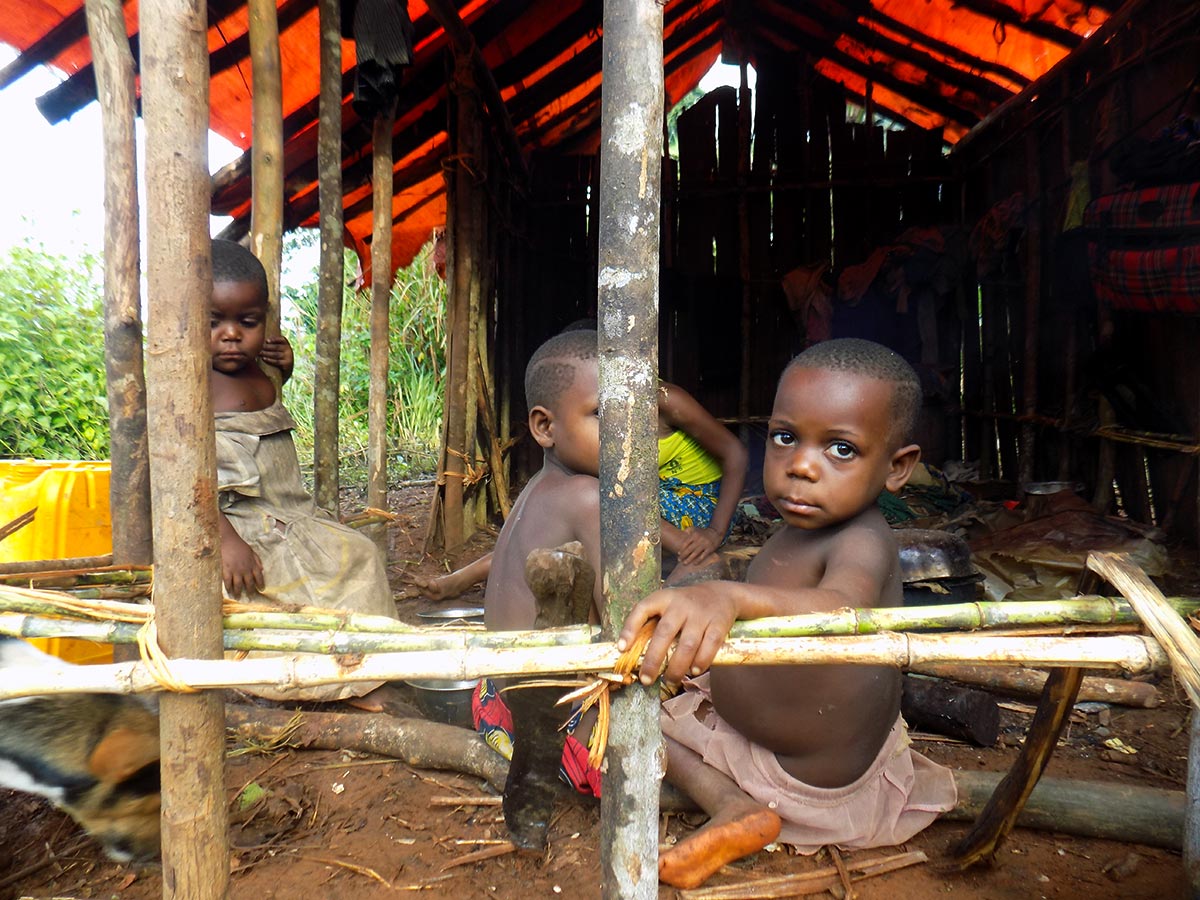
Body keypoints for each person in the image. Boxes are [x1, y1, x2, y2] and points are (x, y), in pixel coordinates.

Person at [618, 338, 958, 890]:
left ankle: (732, 805)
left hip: (799, 773)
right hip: (792, 736)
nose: (801, 465)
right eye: (784, 437)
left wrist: (728, 597)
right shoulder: (804, 526)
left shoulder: (863, 540)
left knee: (626, 719)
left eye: (841, 449)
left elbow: (840, 607)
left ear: (898, 468)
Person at [209, 239, 397, 702]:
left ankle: (369, 661)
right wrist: (226, 541)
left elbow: (264, 411)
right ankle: (303, 681)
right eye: (213, 323)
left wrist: (285, 371)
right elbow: (183, 485)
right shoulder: (191, 383)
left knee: (360, 555)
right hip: (238, 529)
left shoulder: (257, 371)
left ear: (264, 318)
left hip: (289, 515)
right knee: (276, 592)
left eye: (247, 323)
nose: (231, 335)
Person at [412, 374, 746, 598]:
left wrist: (715, 532)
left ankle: (472, 574)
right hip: (650, 496)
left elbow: (736, 454)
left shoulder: (663, 398)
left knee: (593, 503)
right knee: (577, 505)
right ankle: (475, 572)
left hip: (699, 505)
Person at [472, 329, 605, 806]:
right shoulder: (586, 498)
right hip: (559, 730)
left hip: (493, 707)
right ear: (545, 427)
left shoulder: (539, 488)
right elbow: (624, 623)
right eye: (603, 415)